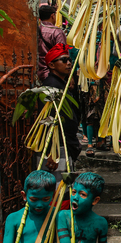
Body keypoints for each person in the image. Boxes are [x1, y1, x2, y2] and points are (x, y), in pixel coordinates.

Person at [41, 44, 81, 173]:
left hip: (65, 143)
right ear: (52, 65)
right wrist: (51, 151)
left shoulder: (62, 84)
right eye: (64, 60)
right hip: (57, 147)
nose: (68, 63)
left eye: (69, 60)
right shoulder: (51, 86)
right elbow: (48, 119)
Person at [38, 5, 67, 82]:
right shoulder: (57, 32)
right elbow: (62, 55)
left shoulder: (36, 30)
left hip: (37, 72)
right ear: (52, 16)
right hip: (53, 75)